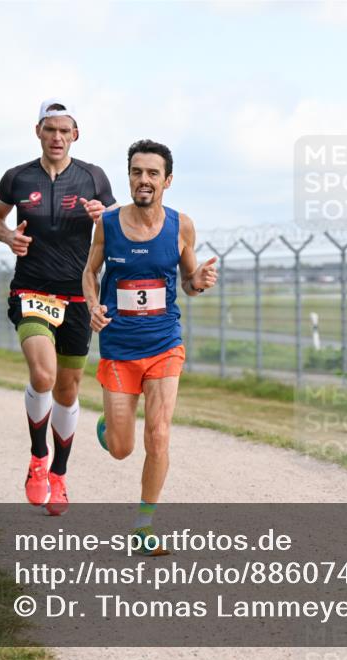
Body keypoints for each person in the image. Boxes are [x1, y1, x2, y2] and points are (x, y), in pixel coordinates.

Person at [82, 139, 217, 555]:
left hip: (164, 345)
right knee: (123, 449)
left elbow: (190, 282)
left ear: (167, 180)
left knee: (158, 436)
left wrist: (199, 283)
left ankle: (144, 525)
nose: (144, 180)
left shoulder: (182, 226)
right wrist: (92, 305)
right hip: (119, 348)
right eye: (137, 172)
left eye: (152, 173)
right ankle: (109, 427)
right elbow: (90, 272)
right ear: (129, 177)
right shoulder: (106, 223)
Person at [0, 98, 116, 515]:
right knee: (43, 374)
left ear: (75, 134)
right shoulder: (17, 177)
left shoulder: (93, 177)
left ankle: (59, 474)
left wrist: (103, 216)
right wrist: (8, 237)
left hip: (79, 295)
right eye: (49, 129)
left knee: (67, 389)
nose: (57, 137)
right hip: (32, 291)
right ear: (38, 132)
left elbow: (118, 225)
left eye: (64, 130)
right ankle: (37, 458)